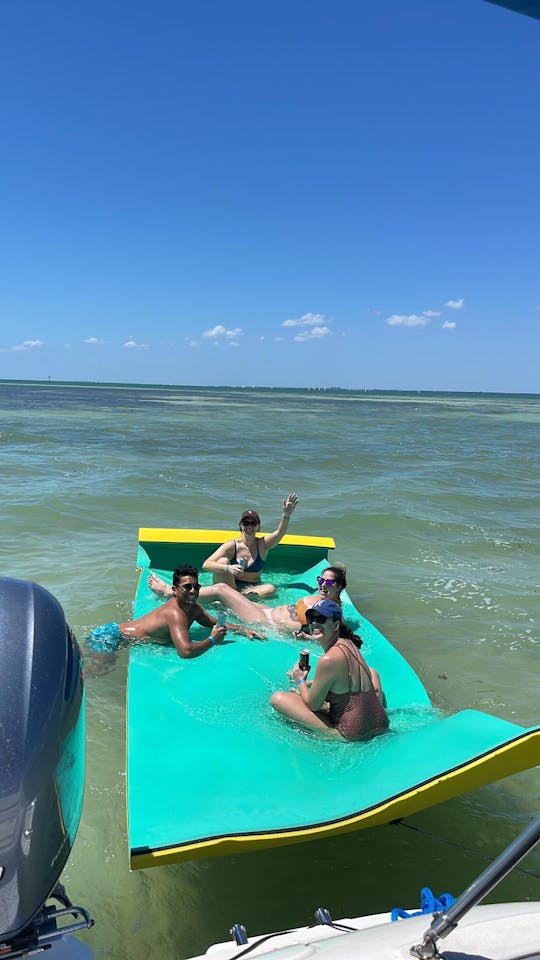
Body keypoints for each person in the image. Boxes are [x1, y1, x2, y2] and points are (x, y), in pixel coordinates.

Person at [85, 564, 262, 662]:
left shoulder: (192, 606)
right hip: (110, 636)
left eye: (196, 586)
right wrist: (213, 640)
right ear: (174, 590)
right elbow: (185, 652)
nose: (193, 591)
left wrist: (241, 628)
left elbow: (213, 622)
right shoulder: (175, 613)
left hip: (114, 634)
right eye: (187, 587)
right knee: (95, 674)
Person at [270, 599, 388, 741]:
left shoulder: (328, 660)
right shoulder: (349, 643)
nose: (314, 623)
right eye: (311, 618)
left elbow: (313, 705)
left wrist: (300, 680)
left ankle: (331, 734)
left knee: (278, 699)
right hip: (381, 723)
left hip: (353, 733)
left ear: (336, 625)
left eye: (320, 619)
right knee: (372, 672)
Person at [148, 494, 299, 600]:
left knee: (270, 588)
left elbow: (280, 533)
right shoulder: (231, 545)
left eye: (253, 523)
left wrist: (286, 515)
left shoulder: (263, 544)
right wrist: (229, 569)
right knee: (222, 562)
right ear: (241, 526)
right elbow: (206, 564)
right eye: (246, 523)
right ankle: (172, 592)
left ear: (258, 526)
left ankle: (231, 599)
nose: (249, 526)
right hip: (229, 585)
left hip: (250, 589)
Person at [150, 561, 348, 636]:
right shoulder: (322, 596)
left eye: (329, 583)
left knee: (221, 590)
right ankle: (183, 594)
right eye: (321, 579)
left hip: (267, 621)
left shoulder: (332, 612)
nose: (323, 584)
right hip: (267, 611)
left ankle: (169, 592)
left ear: (339, 587)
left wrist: (292, 630)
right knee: (222, 600)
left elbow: (322, 632)